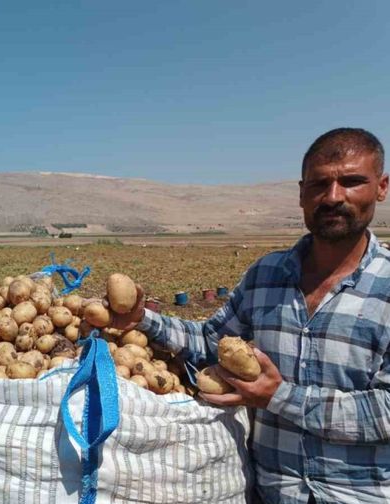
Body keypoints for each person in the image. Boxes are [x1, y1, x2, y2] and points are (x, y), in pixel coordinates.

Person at [110, 128, 390, 503]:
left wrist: (279, 396)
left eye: (352, 182)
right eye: (319, 184)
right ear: (302, 192)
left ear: (381, 187)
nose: (333, 197)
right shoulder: (266, 275)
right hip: (273, 492)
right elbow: (211, 342)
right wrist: (143, 320)